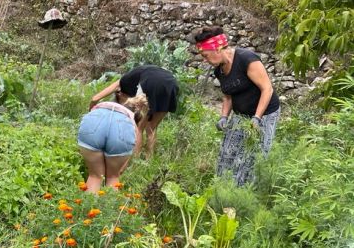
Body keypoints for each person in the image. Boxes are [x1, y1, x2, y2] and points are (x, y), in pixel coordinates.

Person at [193, 26, 280, 186]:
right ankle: (223, 188)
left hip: (265, 114)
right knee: (228, 153)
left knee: (252, 157)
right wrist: (224, 117)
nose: (205, 60)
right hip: (240, 115)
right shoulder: (219, 70)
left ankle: (244, 193)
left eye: (205, 55)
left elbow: (267, 88)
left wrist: (257, 118)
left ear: (216, 48)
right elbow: (228, 96)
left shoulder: (246, 59)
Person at [89, 65, 178, 158]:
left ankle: (135, 161)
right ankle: (149, 160)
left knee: (138, 127)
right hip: (171, 83)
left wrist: (91, 112)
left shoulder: (121, 83)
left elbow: (95, 98)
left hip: (151, 81)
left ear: (119, 93)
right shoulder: (134, 79)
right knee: (151, 128)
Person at [78, 95, 148, 193]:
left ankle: (89, 207)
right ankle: (109, 206)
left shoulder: (105, 104)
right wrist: (123, 165)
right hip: (120, 130)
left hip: (94, 121)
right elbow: (135, 143)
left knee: (95, 176)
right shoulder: (131, 117)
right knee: (113, 177)